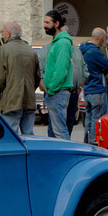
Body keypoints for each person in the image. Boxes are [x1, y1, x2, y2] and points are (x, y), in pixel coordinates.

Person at [0, 21, 41, 135]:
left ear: (8, 34)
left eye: (3, 33)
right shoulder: (31, 50)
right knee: (28, 134)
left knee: (11, 135)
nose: (2, 35)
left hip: (12, 100)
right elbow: (37, 77)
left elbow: (0, 77)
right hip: (29, 99)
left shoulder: (4, 50)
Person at [39, 10, 73, 140]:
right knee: (56, 130)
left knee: (60, 131)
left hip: (58, 92)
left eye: (47, 22)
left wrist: (51, 89)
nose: (45, 25)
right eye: (44, 22)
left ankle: (68, 156)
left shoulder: (62, 42)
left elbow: (61, 69)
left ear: (57, 23)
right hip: (56, 92)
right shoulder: (57, 41)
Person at [80, 28, 108, 144]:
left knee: (88, 117)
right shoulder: (95, 52)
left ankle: (87, 139)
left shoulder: (82, 49)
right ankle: (94, 140)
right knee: (97, 117)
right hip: (97, 88)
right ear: (101, 38)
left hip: (87, 89)